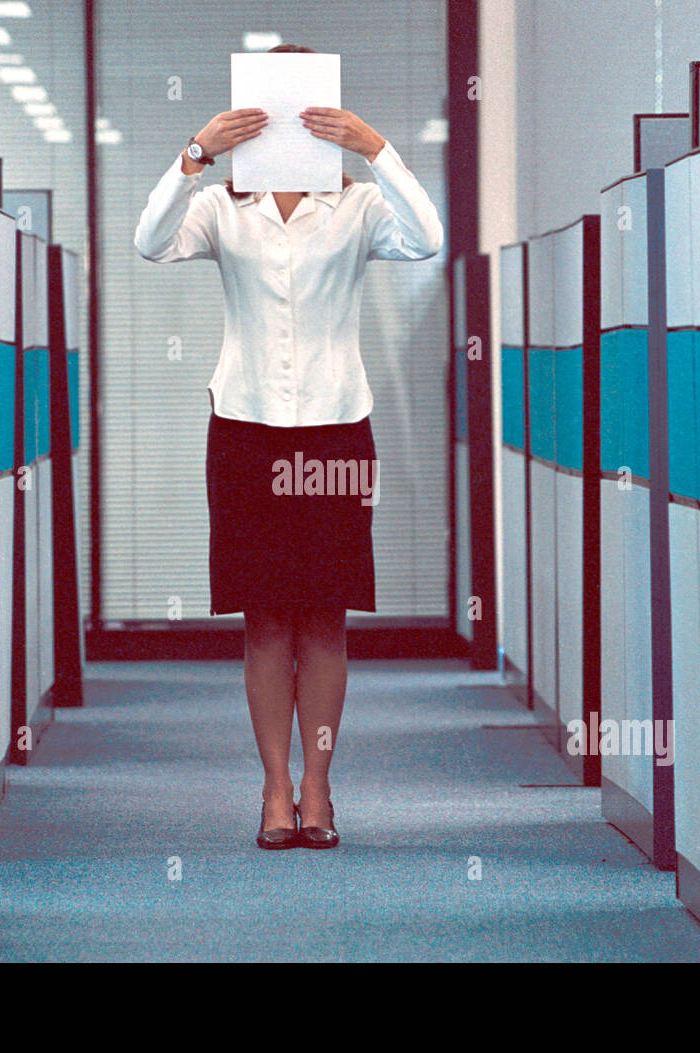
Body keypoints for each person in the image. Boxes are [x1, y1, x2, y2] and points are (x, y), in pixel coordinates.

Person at [133, 44, 443, 850]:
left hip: (338, 430)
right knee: (266, 619)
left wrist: (377, 149)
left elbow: (429, 238)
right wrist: (195, 156)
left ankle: (320, 786)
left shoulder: (359, 205)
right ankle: (275, 790)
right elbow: (146, 241)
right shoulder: (220, 207)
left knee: (327, 620)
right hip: (245, 429)